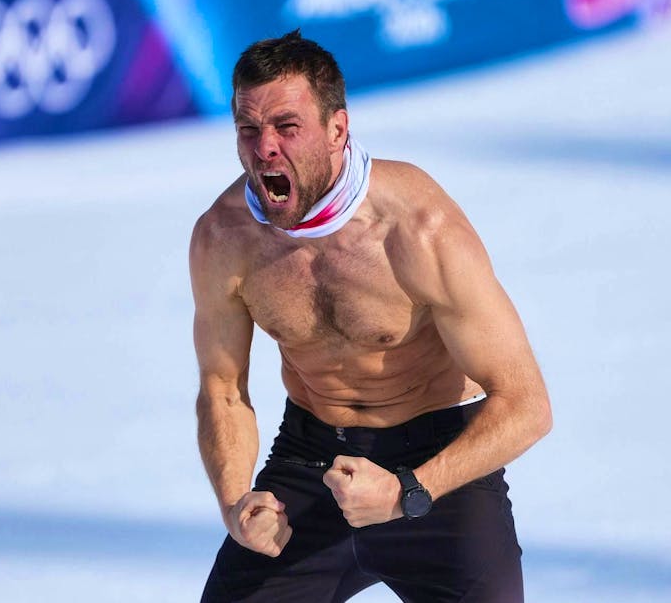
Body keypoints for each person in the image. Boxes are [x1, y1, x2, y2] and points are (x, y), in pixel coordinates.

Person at [189, 30, 552, 603]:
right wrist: (237, 503)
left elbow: (527, 405)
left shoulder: (418, 229)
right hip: (309, 459)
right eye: (248, 130)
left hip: (438, 465)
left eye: (287, 126)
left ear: (338, 129)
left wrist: (408, 491)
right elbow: (222, 388)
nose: (265, 149)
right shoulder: (224, 238)